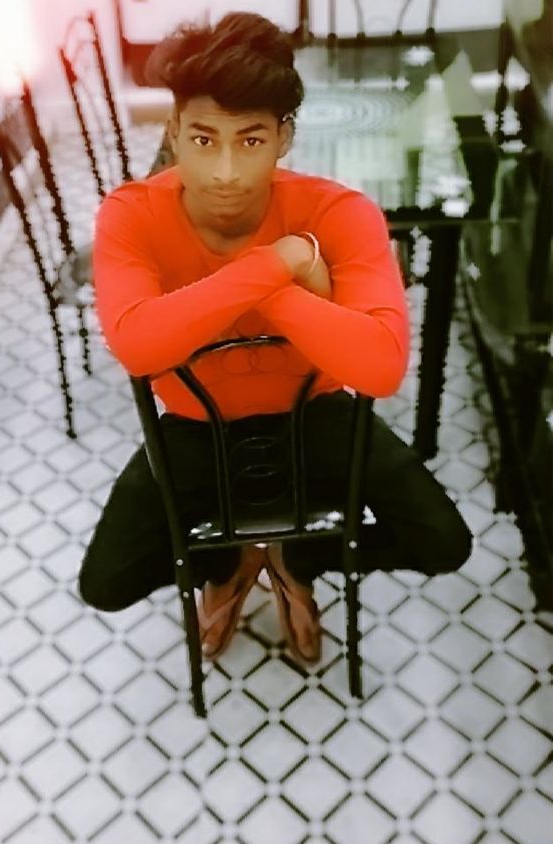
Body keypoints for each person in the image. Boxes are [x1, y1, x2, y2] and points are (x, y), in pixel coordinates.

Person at [78, 12, 472, 666]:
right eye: (203, 139)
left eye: (252, 140)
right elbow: (140, 348)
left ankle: (298, 563)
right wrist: (281, 264)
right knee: (105, 584)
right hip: (194, 426)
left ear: (284, 137)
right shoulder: (131, 214)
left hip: (314, 414)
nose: (226, 171)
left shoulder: (339, 211)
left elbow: (379, 368)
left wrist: (256, 289)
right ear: (173, 131)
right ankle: (227, 565)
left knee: (444, 542)